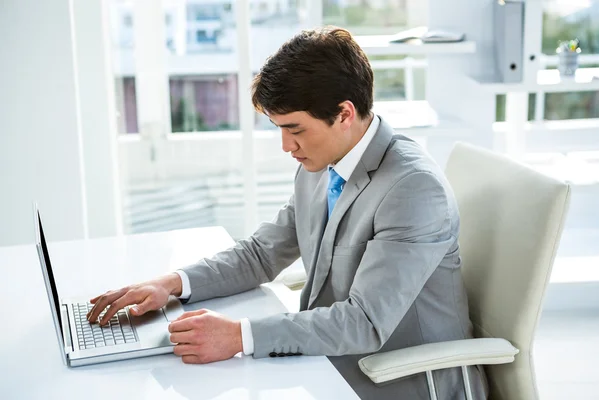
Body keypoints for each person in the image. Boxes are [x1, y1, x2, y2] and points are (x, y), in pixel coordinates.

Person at [87, 27, 487, 399]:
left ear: (344, 114)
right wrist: (172, 284)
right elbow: (262, 254)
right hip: (330, 360)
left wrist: (239, 336)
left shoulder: (413, 189)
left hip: (403, 382)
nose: (286, 146)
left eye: (295, 130)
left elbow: (365, 322)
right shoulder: (324, 161)